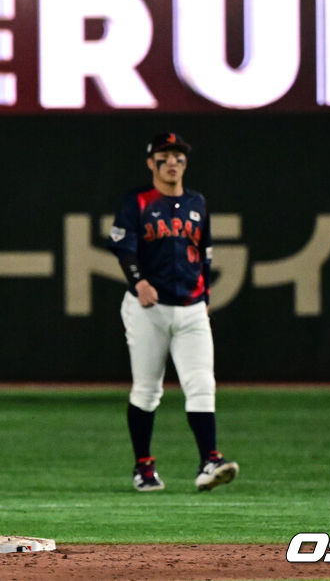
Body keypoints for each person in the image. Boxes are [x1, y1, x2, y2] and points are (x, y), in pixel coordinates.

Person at [107, 132, 238, 492]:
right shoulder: (138, 201)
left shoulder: (197, 202)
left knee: (202, 384)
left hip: (192, 307)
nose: (172, 163)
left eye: (178, 157)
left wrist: (206, 296)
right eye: (164, 157)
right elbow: (123, 247)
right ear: (151, 162)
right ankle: (144, 467)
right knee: (147, 390)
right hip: (149, 307)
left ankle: (210, 460)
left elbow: (205, 253)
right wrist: (138, 282)